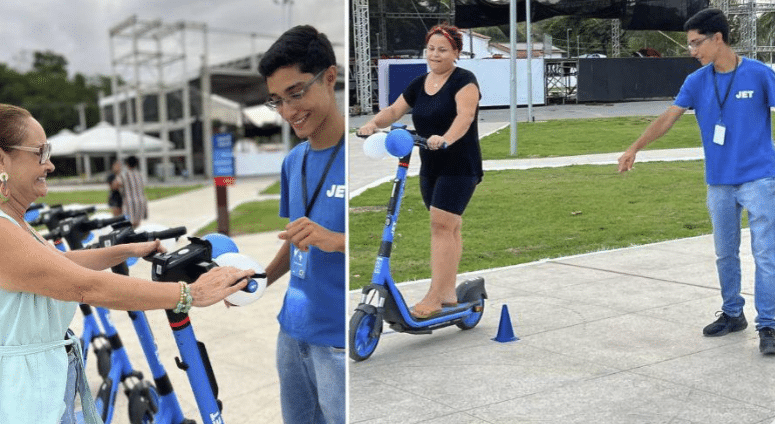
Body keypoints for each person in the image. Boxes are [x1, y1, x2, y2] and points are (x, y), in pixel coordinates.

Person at [0, 103, 255, 423]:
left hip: (41, 387)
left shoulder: (14, 222)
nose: (49, 164)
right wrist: (190, 293)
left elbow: (59, 264)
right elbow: (82, 285)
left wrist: (125, 250)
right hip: (22, 399)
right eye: (40, 152)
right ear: (1, 160)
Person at [617, 8, 775, 354]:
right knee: (725, 253)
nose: (691, 50)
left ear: (718, 38)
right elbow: (667, 119)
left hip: (759, 178)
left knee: (765, 254)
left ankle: (769, 325)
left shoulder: (760, 74)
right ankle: (733, 314)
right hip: (719, 180)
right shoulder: (697, 81)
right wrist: (635, 147)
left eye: (695, 43)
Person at [357, 23, 483, 319]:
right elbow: (393, 111)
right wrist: (374, 124)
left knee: (441, 225)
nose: (435, 55)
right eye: (431, 49)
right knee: (449, 227)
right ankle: (449, 292)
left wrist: (445, 139)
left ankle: (435, 296)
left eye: (442, 50)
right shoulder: (419, 83)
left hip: (459, 164)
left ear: (455, 53)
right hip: (431, 165)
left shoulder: (465, 81)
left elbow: (465, 117)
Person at [257, 25, 346, 423]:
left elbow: (389, 245)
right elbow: (297, 241)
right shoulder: (293, 161)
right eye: (276, 101)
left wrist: (338, 239)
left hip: (339, 340)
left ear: (330, 77)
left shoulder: (361, 156)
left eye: (296, 93)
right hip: (292, 334)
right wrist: (257, 280)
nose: (288, 111)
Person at [117, 155, 148, 228]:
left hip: (129, 201)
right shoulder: (140, 174)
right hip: (141, 200)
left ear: (127, 164)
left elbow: (118, 184)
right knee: (137, 223)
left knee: (128, 224)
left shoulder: (123, 174)